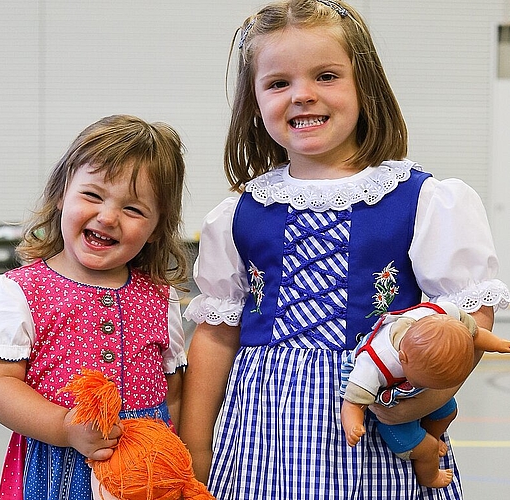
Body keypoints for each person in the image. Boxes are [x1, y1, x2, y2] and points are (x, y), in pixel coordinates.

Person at [179, 0, 510, 499]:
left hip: (379, 427)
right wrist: (197, 449)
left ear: (365, 86)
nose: (302, 96)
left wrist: (421, 404)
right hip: (258, 437)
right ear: (254, 101)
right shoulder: (238, 214)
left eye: (326, 75)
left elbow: (468, 320)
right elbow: (216, 335)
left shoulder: (422, 199)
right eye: (277, 83)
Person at [0, 114, 189, 500]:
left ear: (157, 227)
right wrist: (64, 427)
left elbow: (174, 392)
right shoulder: (17, 292)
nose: (108, 217)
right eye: (93, 196)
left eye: (133, 209)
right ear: (63, 192)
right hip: (55, 468)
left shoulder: (162, 299)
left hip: (144, 472)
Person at [340, 301, 510, 489]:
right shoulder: (375, 364)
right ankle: (429, 477)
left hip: (412, 392)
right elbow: (352, 403)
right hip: (391, 416)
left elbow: (475, 333)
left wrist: (497, 344)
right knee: (427, 449)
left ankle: (434, 437)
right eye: (421, 381)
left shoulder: (442, 315)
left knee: (449, 411)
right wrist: (353, 425)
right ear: (403, 358)